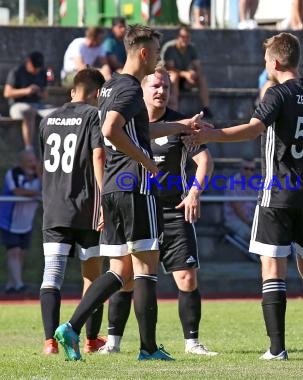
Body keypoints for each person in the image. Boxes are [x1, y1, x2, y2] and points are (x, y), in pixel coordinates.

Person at [185, 32, 303, 360]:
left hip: (278, 192)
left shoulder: (276, 93)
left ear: (277, 62)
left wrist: (213, 134)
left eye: (266, 59)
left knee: (272, 267)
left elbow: (254, 128)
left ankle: (277, 349)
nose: (264, 64)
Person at [53, 25, 171, 362]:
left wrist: (180, 126)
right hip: (136, 185)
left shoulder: (110, 87)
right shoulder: (133, 89)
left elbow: (134, 129)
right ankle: (148, 349)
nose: (158, 58)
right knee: (146, 267)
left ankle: (72, 327)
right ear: (145, 53)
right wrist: (147, 161)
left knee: (120, 271)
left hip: (114, 188)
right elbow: (110, 129)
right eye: (157, 51)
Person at [98, 65, 217, 356]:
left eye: (166, 87)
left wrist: (194, 192)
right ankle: (113, 342)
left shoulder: (180, 124)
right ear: (142, 91)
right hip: (136, 208)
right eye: (156, 87)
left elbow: (205, 162)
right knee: (124, 277)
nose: (162, 92)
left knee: (187, 278)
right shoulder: (130, 123)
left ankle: (192, 342)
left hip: (172, 210)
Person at [38, 68, 107, 356]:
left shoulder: (47, 119)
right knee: (92, 275)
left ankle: (49, 343)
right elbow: (98, 155)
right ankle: (90, 340)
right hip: (85, 206)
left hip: (54, 207)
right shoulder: (93, 116)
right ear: (97, 93)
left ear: (72, 91)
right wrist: (104, 200)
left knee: (51, 275)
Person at [0, 150, 41, 294]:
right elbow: (18, 192)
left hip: (25, 222)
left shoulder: (38, 175)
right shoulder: (13, 173)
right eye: (28, 161)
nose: (32, 164)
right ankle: (19, 284)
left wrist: (40, 173)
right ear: (21, 162)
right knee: (14, 252)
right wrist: (37, 194)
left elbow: (48, 188)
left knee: (20, 253)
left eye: (33, 161)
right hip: (8, 221)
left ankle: (11, 284)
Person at [3, 51, 56, 151]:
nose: (36, 70)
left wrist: (40, 93)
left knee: (58, 112)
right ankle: (29, 149)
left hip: (38, 105)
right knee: (29, 111)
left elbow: (45, 95)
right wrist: (26, 91)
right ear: (28, 62)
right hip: (18, 105)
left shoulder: (42, 72)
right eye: (34, 67)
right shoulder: (17, 71)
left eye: (38, 68)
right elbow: (7, 93)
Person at [161, 26, 211, 115]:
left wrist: (194, 74)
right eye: (183, 37)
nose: (185, 39)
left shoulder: (192, 48)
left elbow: (198, 66)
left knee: (201, 78)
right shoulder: (170, 48)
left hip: (185, 79)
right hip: (169, 79)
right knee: (174, 76)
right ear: (177, 37)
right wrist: (185, 74)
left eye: (188, 37)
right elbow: (169, 68)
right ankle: (174, 110)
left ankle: (206, 108)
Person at [223, 156, 258, 242]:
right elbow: (237, 209)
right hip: (234, 219)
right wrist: (251, 223)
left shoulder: (255, 183)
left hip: (251, 219)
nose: (249, 171)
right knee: (253, 235)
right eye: (246, 168)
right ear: (241, 169)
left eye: (252, 169)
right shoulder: (232, 183)